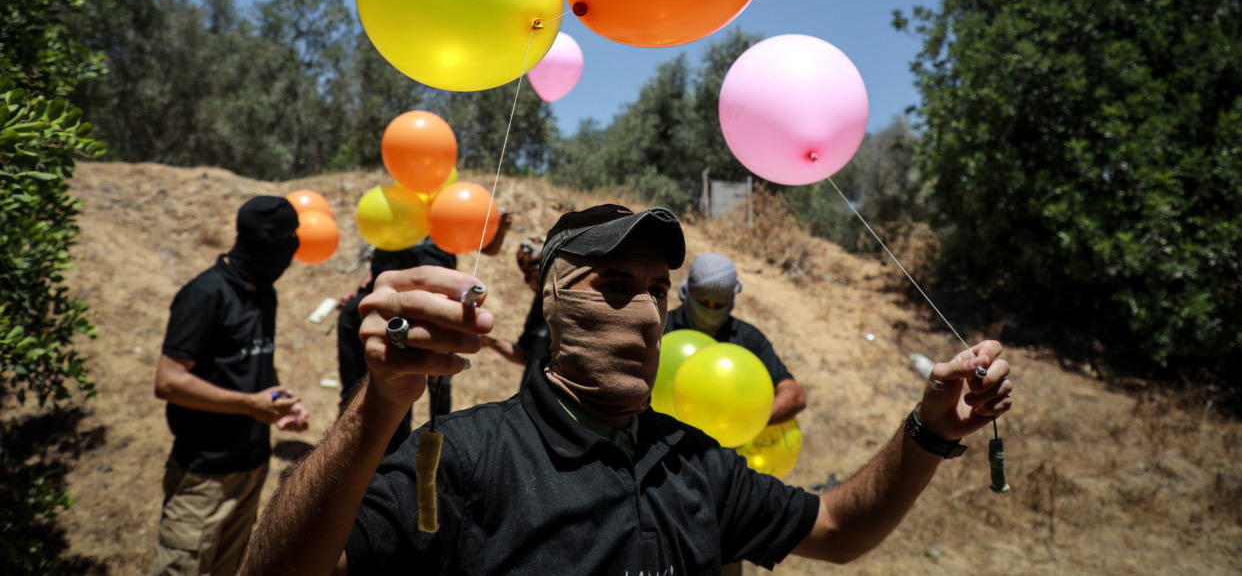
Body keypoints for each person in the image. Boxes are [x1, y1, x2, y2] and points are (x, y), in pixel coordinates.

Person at [239, 204, 1013, 575]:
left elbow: (839, 529)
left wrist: (930, 429)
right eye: (612, 283)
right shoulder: (463, 459)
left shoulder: (694, 460)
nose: (644, 311)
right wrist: (380, 404)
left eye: (656, 287)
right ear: (550, 300)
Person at [152, 195, 310, 576]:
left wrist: (279, 399)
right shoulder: (206, 294)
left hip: (252, 469)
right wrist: (249, 404)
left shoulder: (264, 293)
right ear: (256, 244)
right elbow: (169, 381)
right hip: (204, 477)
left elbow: (255, 360)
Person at [336, 210, 512, 445]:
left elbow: (486, 246)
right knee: (388, 375)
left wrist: (499, 228)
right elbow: (380, 258)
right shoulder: (395, 207)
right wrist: (361, 292)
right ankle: (379, 446)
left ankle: (441, 440)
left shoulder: (451, 208)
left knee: (439, 378)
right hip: (388, 309)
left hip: (438, 307)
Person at [667, 251, 807, 425]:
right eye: (702, 302)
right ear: (688, 292)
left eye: (719, 305)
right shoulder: (662, 329)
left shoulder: (749, 339)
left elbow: (794, 394)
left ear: (732, 299)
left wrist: (748, 423)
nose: (710, 311)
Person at [480, 235, 550, 390]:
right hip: (531, 398)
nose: (529, 282)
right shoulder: (539, 302)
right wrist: (490, 342)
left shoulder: (573, 306)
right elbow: (525, 354)